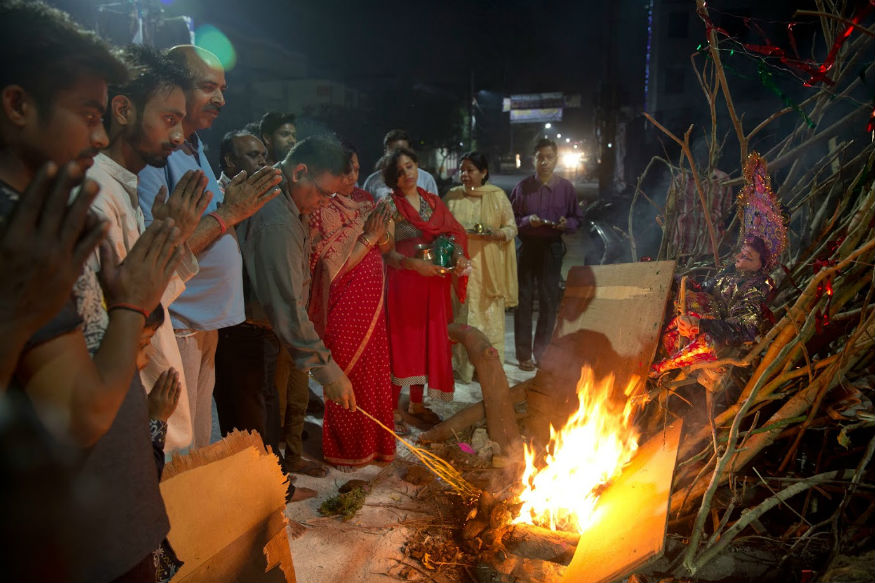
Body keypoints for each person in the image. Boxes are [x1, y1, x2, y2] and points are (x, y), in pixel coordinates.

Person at [0, 3, 184, 580]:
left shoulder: (43, 214)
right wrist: (132, 301)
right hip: (73, 547)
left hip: (105, 530)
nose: (101, 135)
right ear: (18, 105)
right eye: (87, 113)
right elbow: (78, 414)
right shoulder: (22, 234)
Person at [138, 45, 283, 449]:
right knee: (175, 443)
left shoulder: (194, 144)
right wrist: (231, 213)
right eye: (208, 87)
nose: (221, 99)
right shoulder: (156, 154)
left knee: (198, 437)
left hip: (204, 323)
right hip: (176, 324)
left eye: (222, 88)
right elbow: (157, 251)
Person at [82, 44, 210, 452]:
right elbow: (122, 316)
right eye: (169, 119)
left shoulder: (123, 187)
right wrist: (169, 236)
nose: (177, 136)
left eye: (181, 121)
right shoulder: (98, 195)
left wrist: (168, 237)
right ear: (122, 111)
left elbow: (149, 294)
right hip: (122, 403)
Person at [236, 136, 356, 483]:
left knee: (270, 416)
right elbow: (286, 304)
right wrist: (327, 371)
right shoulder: (276, 217)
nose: (321, 204)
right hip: (253, 334)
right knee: (259, 424)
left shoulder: (288, 201)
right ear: (299, 170)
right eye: (321, 193)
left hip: (266, 331)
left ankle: (276, 493)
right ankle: (265, 504)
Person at [650, 152, 786, 385]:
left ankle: (661, 368)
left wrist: (702, 324)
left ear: (761, 265)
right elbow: (705, 289)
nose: (741, 258)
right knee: (675, 314)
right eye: (742, 253)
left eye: (748, 257)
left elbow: (746, 328)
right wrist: (681, 283)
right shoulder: (730, 271)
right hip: (699, 325)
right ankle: (660, 357)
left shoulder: (756, 286)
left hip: (720, 338)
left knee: (707, 342)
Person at [382, 147, 469, 432]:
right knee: (404, 342)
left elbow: (452, 234)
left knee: (427, 341)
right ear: (392, 178)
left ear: (417, 165)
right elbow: (386, 253)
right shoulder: (389, 206)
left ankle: (417, 404)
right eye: (399, 171)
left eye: (409, 166)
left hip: (433, 283)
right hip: (404, 283)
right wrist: (412, 265)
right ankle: (392, 407)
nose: (407, 174)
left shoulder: (432, 202)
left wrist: (459, 259)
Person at [444, 152, 518, 382]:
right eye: (462, 170)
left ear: (483, 173)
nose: (464, 175)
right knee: (463, 313)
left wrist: (496, 233)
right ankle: (463, 366)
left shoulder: (496, 196)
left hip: (488, 267)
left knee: (488, 314)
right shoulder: (453, 197)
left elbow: (511, 228)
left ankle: (487, 365)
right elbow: (442, 228)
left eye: (470, 170)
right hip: (461, 266)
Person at [510, 138, 582, 371]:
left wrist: (566, 223)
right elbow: (510, 219)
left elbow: (577, 218)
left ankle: (541, 353)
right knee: (524, 300)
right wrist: (525, 221)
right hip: (528, 247)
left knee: (549, 301)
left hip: (552, 248)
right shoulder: (523, 188)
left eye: (549, 157)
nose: (544, 161)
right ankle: (523, 355)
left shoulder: (565, 188)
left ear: (556, 160)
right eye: (540, 157)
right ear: (533, 159)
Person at [362, 129, 438, 200]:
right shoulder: (372, 182)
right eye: (393, 152)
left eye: (403, 150)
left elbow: (436, 210)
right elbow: (365, 211)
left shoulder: (426, 179)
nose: (398, 156)